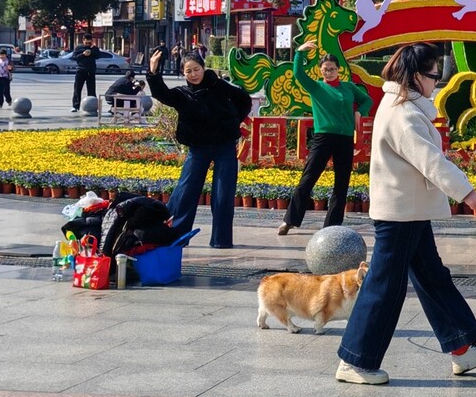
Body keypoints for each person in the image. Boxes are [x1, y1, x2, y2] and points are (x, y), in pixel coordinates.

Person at [334, 42, 476, 387]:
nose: (435, 83)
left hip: (408, 210)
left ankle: (462, 348)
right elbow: (430, 161)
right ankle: (355, 360)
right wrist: (467, 192)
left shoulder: (401, 106)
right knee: (385, 286)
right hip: (401, 214)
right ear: (414, 76)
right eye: (433, 76)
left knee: (432, 277)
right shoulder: (404, 114)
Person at [147, 48, 253, 249]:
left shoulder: (220, 86)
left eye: (196, 69)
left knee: (223, 194)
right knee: (186, 191)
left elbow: (244, 100)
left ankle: (221, 240)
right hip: (198, 149)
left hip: (224, 146)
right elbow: (161, 93)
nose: (193, 74)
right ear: (183, 73)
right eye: (188, 71)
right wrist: (153, 72)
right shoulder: (182, 94)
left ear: (203, 68)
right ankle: (178, 237)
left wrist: (232, 121)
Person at [278, 44, 368, 235]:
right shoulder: (316, 87)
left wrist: (361, 111)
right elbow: (299, 74)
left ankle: (332, 226)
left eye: (332, 69)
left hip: (344, 139)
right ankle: (290, 220)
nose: (329, 72)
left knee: (341, 183)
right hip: (323, 138)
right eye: (325, 69)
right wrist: (300, 52)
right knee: (308, 179)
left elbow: (367, 99)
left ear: (339, 70)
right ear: (321, 70)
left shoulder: (349, 87)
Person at [70, 40, 100, 112]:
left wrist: (93, 49)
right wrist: (83, 54)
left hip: (91, 71)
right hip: (81, 70)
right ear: (83, 41)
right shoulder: (78, 48)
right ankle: (75, 106)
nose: (88, 44)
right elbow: (74, 57)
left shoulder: (94, 48)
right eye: (86, 43)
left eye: (89, 43)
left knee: (91, 89)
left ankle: (93, 106)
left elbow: (98, 56)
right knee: (77, 89)